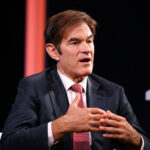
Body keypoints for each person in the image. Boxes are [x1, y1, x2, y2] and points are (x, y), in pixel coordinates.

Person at [1, 10, 150, 150]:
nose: (87, 49)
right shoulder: (34, 87)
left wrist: (137, 140)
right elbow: (10, 143)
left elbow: (145, 144)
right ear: (53, 51)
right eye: (75, 42)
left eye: (89, 41)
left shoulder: (113, 92)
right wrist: (61, 126)